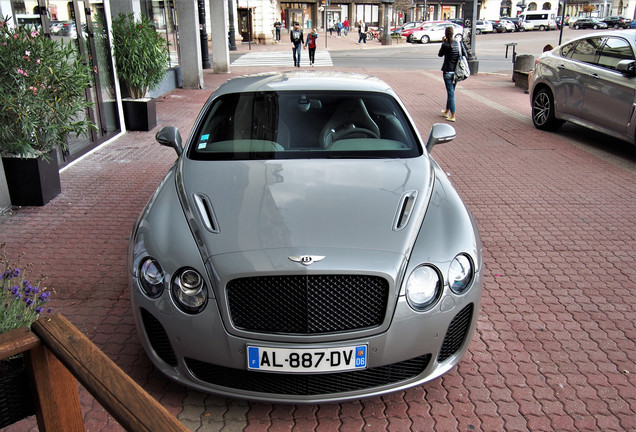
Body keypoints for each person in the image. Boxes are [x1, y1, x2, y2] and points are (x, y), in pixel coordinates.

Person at [437, 26, 460, 122]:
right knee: (451, 92)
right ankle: (447, 111)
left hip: (447, 72)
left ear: (446, 34)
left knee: (450, 93)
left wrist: (443, 42)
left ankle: (453, 114)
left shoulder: (446, 45)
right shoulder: (458, 43)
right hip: (456, 72)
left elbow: (440, 54)